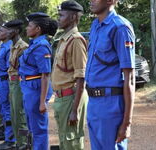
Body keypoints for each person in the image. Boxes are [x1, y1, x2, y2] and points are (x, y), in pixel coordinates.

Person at [86, 0, 135, 149]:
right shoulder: (95, 26)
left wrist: (127, 123)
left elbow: (130, 78)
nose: (90, 1)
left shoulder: (120, 27)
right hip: (93, 102)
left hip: (111, 103)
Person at [18, 12, 58, 150]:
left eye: (30, 26)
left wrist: (42, 102)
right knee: (32, 127)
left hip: (36, 90)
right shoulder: (34, 44)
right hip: (29, 88)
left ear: (38, 29)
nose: (27, 29)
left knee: (39, 129)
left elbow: (45, 74)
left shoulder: (41, 46)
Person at [51, 1, 88, 149]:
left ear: (73, 17)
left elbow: (81, 77)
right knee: (64, 142)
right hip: (62, 98)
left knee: (72, 142)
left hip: (71, 98)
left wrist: (75, 110)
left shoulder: (76, 41)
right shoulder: (64, 39)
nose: (58, 18)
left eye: (61, 15)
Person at [5, 19, 29, 149]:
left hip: (19, 83)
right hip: (12, 82)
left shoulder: (23, 47)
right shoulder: (12, 46)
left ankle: (24, 142)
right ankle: (18, 142)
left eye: (9, 30)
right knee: (14, 114)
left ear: (16, 31)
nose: (7, 32)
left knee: (20, 115)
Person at [0, 25, 14, 150]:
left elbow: (9, 69)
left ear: (9, 32)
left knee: (7, 112)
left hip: (4, 83)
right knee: (3, 110)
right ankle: (7, 136)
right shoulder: (3, 46)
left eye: (1, 31)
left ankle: (10, 140)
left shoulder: (9, 47)